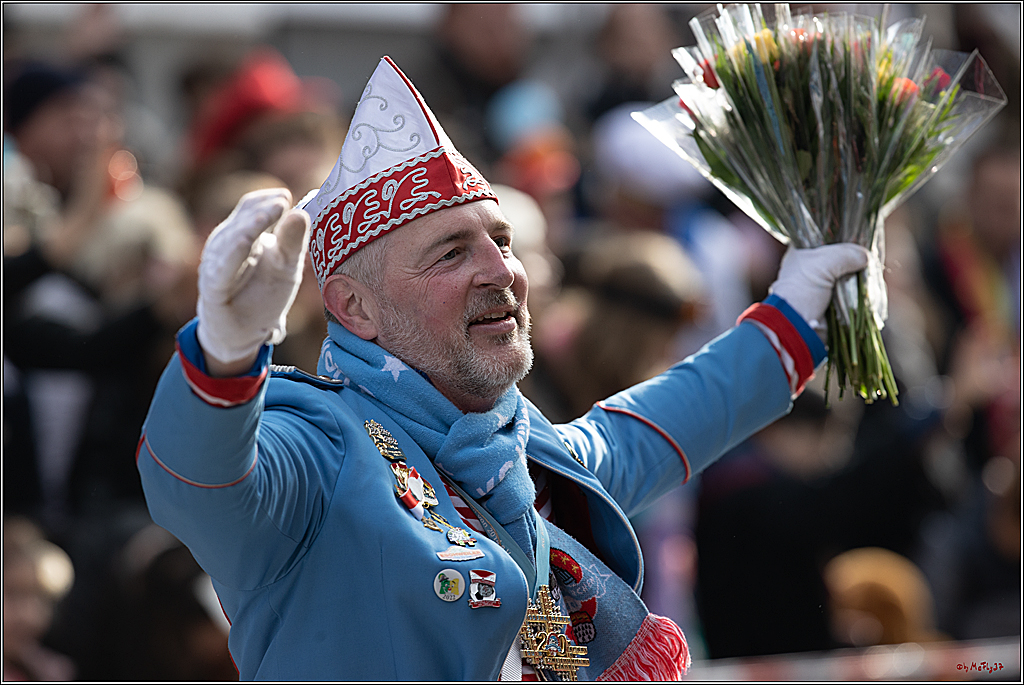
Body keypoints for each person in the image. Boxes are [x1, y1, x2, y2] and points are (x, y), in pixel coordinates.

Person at [137, 56, 869, 680]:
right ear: (354, 307)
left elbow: (665, 418)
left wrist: (798, 307)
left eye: (504, 240)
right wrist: (225, 354)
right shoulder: (319, 448)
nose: (504, 272)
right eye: (452, 251)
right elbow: (196, 485)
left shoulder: (521, 446)